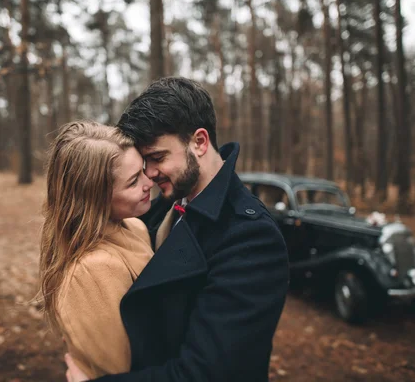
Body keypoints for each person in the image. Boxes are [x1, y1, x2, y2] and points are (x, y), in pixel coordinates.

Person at [65, 77, 290, 382]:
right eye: (145, 161)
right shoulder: (161, 206)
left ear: (199, 142)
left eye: (157, 158)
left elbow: (206, 373)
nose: (150, 173)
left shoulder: (250, 238)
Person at [38, 121, 155, 379]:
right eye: (134, 181)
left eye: (143, 170)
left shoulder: (135, 227)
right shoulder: (91, 271)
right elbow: (118, 371)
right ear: (95, 198)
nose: (149, 182)